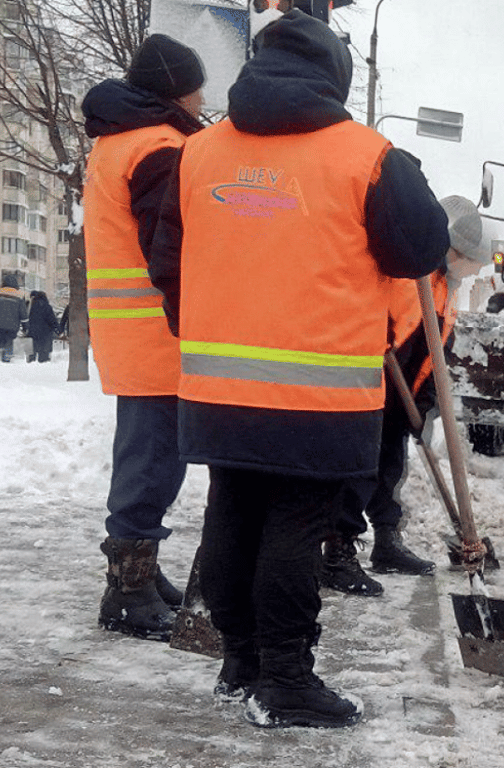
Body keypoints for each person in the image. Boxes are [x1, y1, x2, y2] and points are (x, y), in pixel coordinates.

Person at [148, 10, 448, 729]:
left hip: (218, 385)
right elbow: (420, 250)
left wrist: (209, 330)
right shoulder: (368, 156)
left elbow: (165, 259)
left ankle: (241, 661)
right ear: (335, 78)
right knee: (294, 528)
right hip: (319, 393)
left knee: (231, 512)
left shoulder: (199, 152)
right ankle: (283, 679)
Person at [81, 32, 206, 641]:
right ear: (176, 90)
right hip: (159, 329)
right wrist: (196, 318)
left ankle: (140, 574)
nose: (203, 98)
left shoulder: (118, 141)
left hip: (134, 328)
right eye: (197, 87)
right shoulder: (158, 147)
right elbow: (170, 249)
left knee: (147, 457)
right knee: (152, 463)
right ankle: (127, 591)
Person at [324, 197, 486, 596]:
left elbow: (437, 350)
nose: (468, 267)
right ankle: (337, 554)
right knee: (359, 472)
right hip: (373, 385)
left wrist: (425, 402)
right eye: (465, 257)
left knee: (390, 470)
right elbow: (376, 315)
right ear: (449, 247)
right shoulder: (411, 272)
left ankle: (386, 542)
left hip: (403, 397)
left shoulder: (447, 287)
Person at [25, 291, 59, 363]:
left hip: (33, 332)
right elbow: (52, 320)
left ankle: (31, 363)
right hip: (45, 333)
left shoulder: (31, 307)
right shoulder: (47, 307)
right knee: (44, 354)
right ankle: (43, 363)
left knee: (32, 352)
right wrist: (58, 329)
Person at [0, 273, 25, 363]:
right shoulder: (19, 295)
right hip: (12, 326)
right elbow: (23, 314)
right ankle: (7, 359)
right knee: (9, 341)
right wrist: (25, 326)